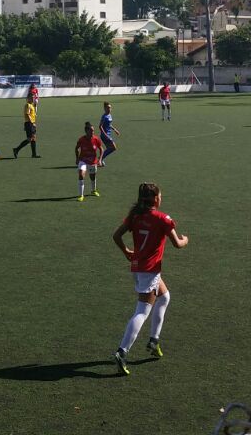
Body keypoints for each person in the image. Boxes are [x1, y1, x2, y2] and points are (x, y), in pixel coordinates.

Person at [111, 182, 189, 376]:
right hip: (150, 270)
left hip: (138, 267)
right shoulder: (163, 219)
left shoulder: (135, 215)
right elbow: (178, 244)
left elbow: (116, 235)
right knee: (142, 312)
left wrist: (126, 251)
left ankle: (153, 340)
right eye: (160, 196)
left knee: (164, 297)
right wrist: (186, 239)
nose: (161, 198)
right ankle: (122, 351)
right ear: (156, 199)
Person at [76, 122, 104, 201]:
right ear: (86, 131)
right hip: (83, 160)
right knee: (81, 174)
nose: (93, 132)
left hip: (93, 162)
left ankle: (93, 190)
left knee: (92, 176)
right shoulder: (81, 140)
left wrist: (100, 159)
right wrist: (77, 158)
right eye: (91, 130)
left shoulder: (96, 139)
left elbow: (101, 149)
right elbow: (76, 148)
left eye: (93, 131)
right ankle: (81, 195)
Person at [12, 94, 39, 158]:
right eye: (31, 98)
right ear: (28, 98)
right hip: (29, 123)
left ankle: (34, 154)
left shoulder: (32, 105)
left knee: (33, 139)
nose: (33, 99)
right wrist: (31, 123)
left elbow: (33, 114)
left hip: (31, 123)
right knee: (30, 139)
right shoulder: (28, 105)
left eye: (33, 98)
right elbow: (27, 114)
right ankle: (16, 149)